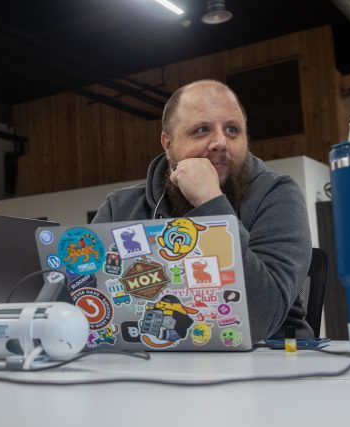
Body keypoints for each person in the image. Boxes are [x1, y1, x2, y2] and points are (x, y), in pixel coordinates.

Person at [92, 79, 312, 342]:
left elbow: (259, 320)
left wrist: (209, 201)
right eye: (202, 130)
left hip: (265, 355)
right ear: (168, 144)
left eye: (232, 130)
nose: (220, 142)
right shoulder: (120, 208)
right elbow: (85, 308)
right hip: (149, 355)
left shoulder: (277, 194)